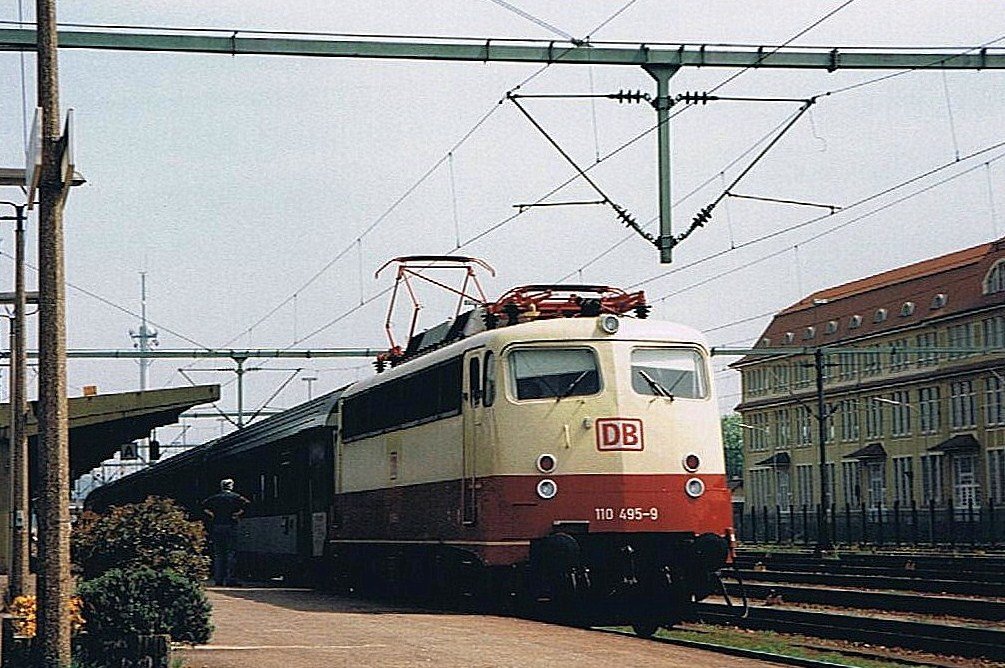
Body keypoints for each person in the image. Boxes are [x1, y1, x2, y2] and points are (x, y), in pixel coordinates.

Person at [202, 478, 250, 586]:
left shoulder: (215, 498)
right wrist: (237, 514)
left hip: (217, 525)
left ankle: (218, 579)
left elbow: (204, 506)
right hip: (230, 525)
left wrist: (212, 514)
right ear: (231, 486)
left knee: (218, 554)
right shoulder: (236, 497)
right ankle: (230, 579)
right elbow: (247, 504)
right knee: (231, 553)